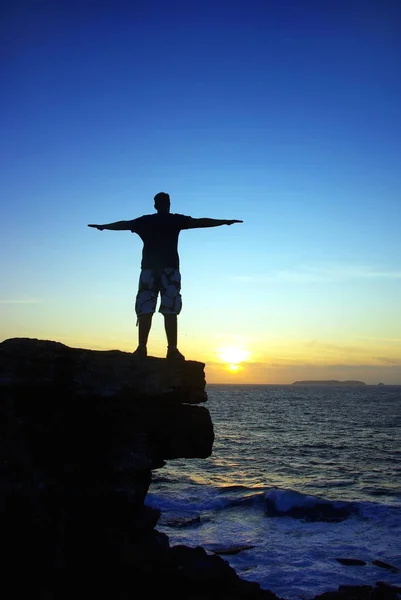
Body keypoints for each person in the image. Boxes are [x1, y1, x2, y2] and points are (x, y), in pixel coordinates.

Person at [88, 192, 243, 360]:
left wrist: (105, 226)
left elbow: (124, 224)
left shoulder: (147, 221)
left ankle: (144, 348)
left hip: (151, 270)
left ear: (155, 205)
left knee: (147, 308)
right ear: (168, 204)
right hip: (167, 270)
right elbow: (200, 222)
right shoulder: (173, 220)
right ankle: (170, 349)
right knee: (169, 309)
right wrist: (224, 222)